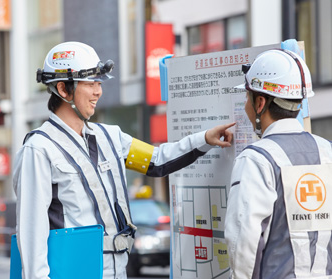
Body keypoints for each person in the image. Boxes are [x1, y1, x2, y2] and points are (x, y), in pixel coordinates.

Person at [13, 41, 235, 279]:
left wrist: (203, 139)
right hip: (72, 271)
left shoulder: (110, 137)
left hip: (118, 272)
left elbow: (157, 161)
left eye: (99, 83)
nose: (98, 91)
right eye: (90, 84)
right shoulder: (39, 149)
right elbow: (31, 232)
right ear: (63, 89)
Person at [224, 48, 332, 279]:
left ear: (260, 103)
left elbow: (244, 245)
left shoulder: (256, 159)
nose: (246, 105)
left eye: (247, 97)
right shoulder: (328, 152)